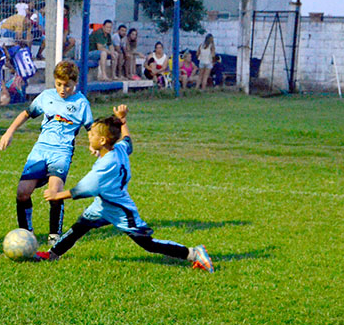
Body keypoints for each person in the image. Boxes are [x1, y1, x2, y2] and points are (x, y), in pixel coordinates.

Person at [36, 105, 214, 272]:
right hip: (103, 205)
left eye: (92, 135)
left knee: (148, 244)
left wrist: (57, 195)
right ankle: (53, 254)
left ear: (103, 140)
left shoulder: (106, 165)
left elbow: (84, 189)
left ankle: (193, 253)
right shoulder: (118, 149)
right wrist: (123, 121)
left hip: (120, 209)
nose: (88, 137)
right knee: (79, 227)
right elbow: (127, 141)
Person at [0, 60, 93, 245]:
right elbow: (26, 113)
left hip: (61, 152)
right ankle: (26, 234)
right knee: (22, 192)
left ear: (75, 83)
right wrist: (9, 132)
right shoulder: (46, 96)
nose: (62, 89)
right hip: (40, 150)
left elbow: (90, 127)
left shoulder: (81, 103)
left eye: (67, 85)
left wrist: (93, 144)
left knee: (54, 191)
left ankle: (54, 236)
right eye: (59, 84)